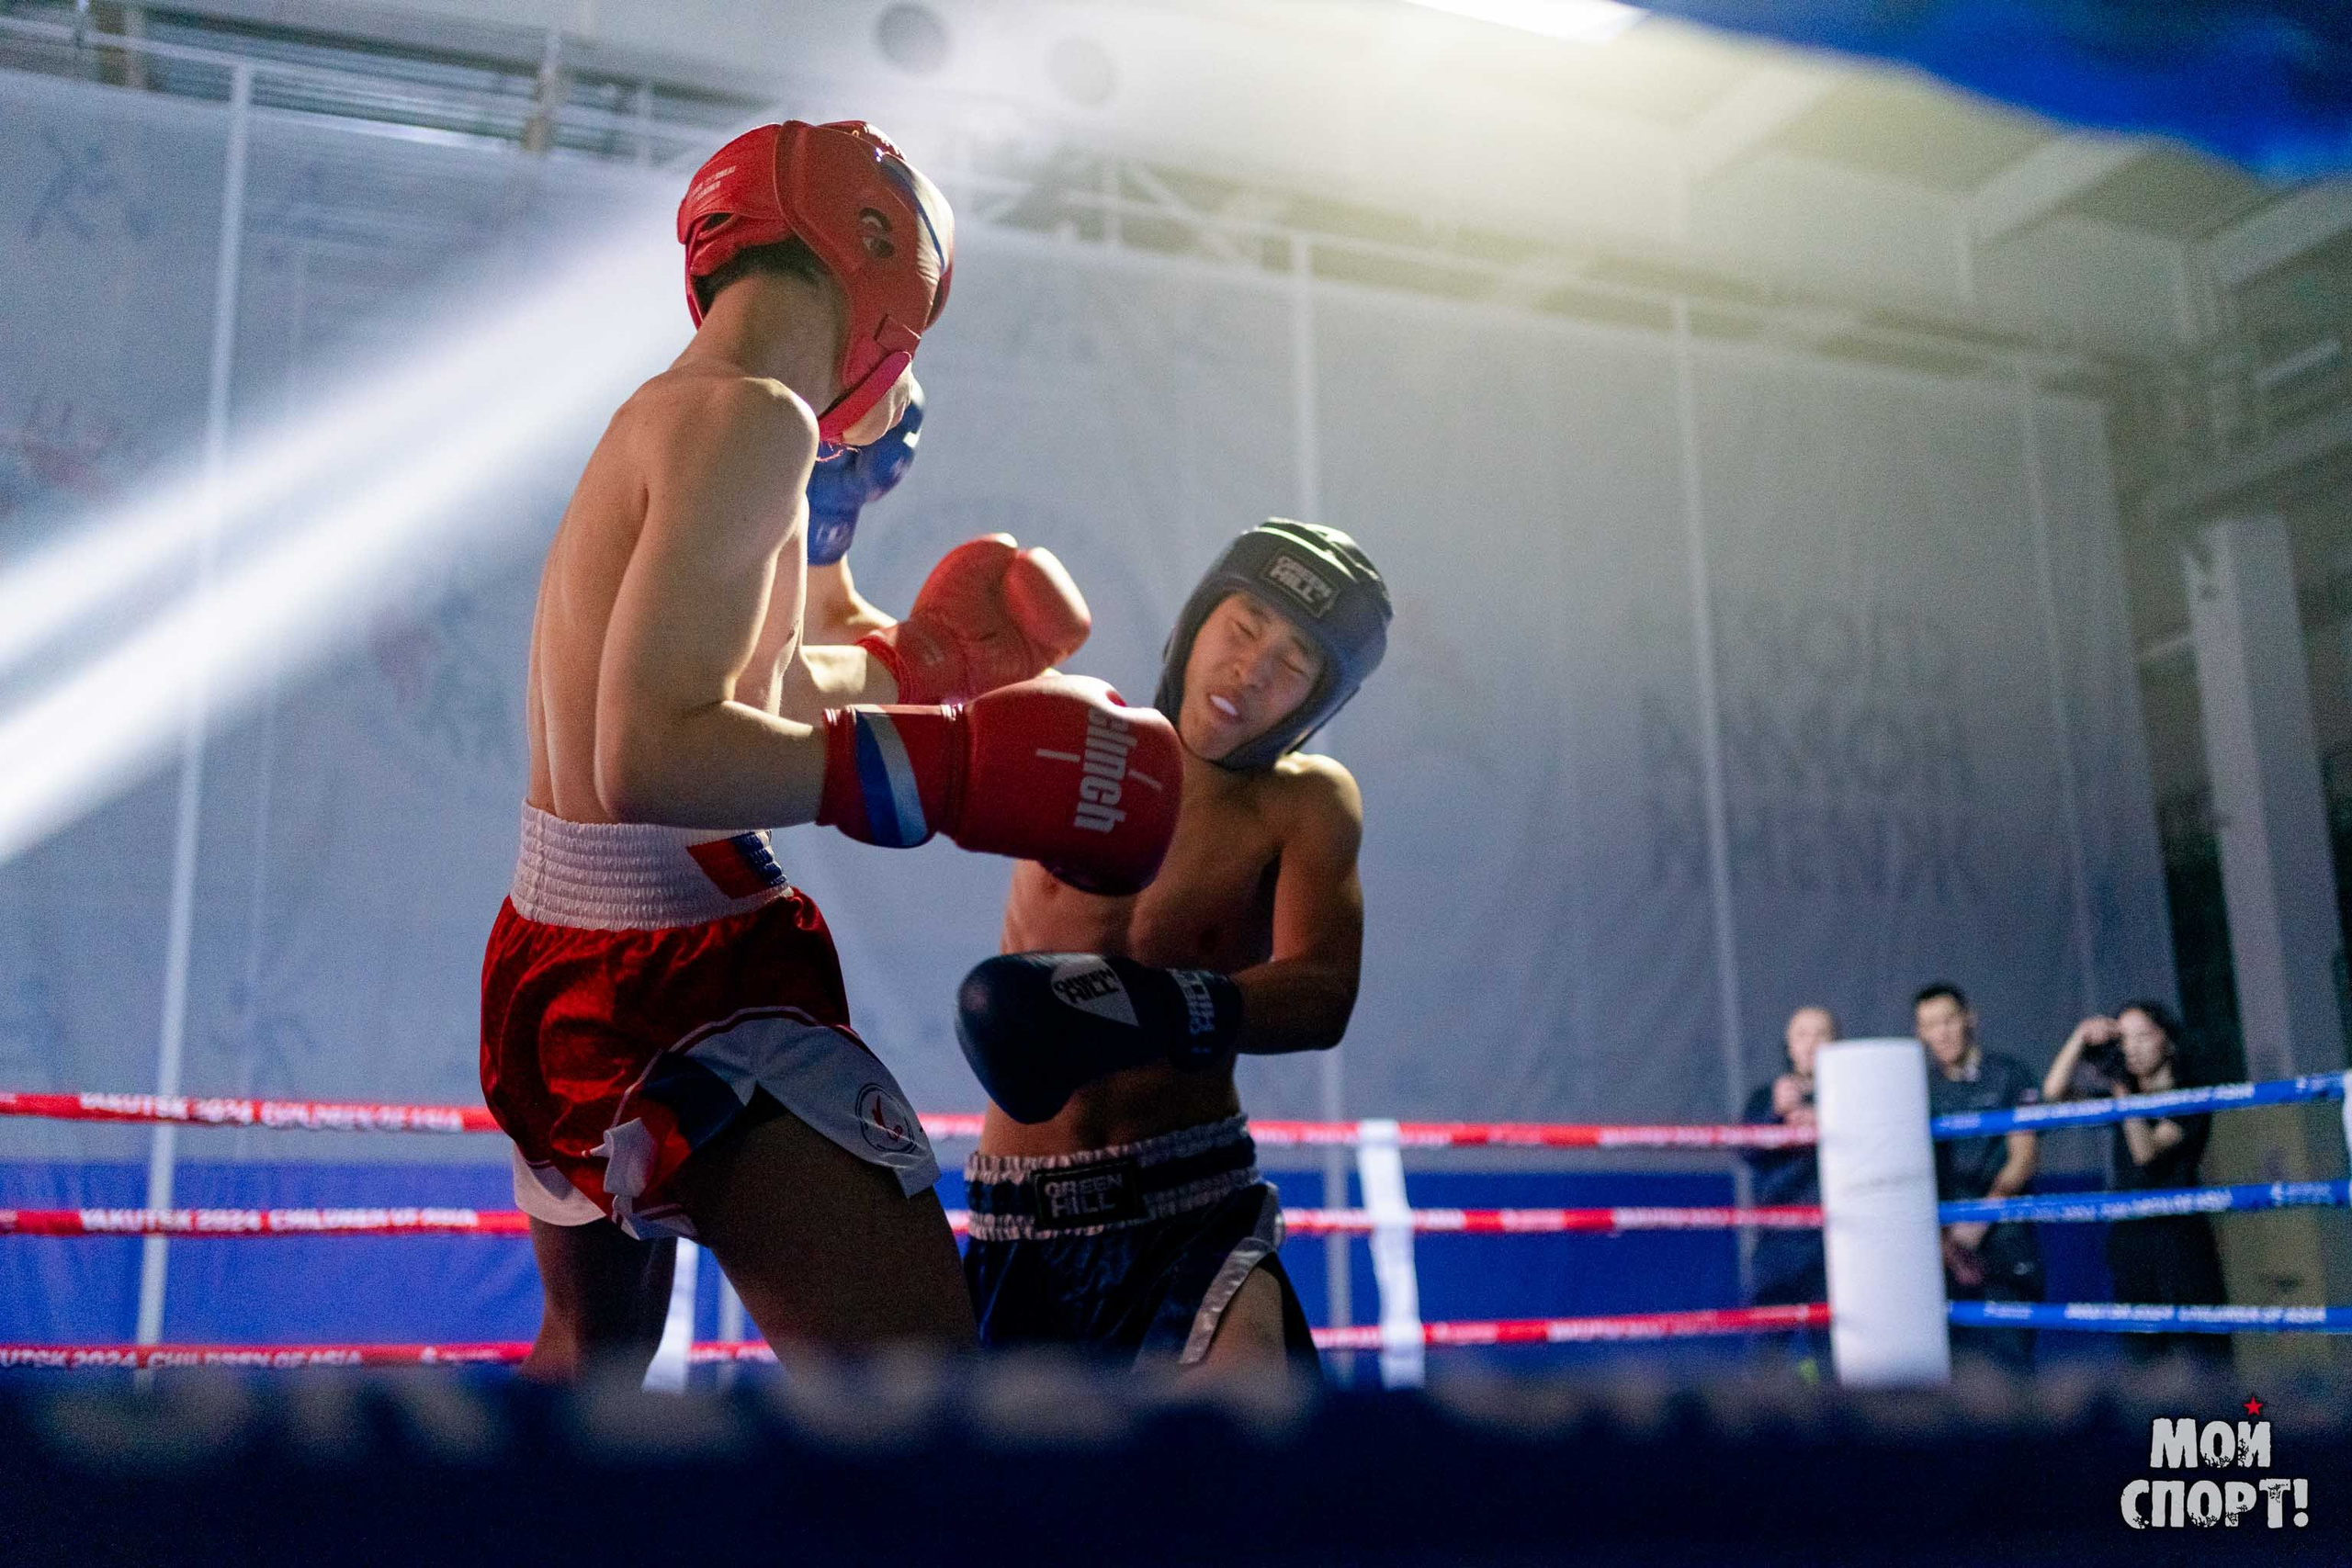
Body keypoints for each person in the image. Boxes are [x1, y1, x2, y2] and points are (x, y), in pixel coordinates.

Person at [478, 120, 1183, 1378]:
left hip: (551, 957)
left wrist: (917, 673)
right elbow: (653, 752)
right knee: (923, 1412)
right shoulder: (760, 419)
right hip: (687, 975)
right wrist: (953, 765)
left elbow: (723, 689)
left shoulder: (669, 414)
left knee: (591, 1362)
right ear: (884, 261)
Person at [953, 520, 1390, 1376]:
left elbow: (1324, 989)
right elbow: (881, 760)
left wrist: (1160, 1009)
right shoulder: (1074, 731)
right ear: (1197, 622)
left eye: (1294, 664)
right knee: (1012, 1508)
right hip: (1017, 1215)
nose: (1253, 671)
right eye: (1243, 628)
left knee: (1248, 1474)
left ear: (1315, 702)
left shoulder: (1303, 804)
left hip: (1189, 1204)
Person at [2042, 1000, 2230, 1368]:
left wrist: (2120, 1093)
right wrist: (2079, 1037)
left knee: (2203, 1359)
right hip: (2131, 1240)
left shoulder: (2190, 1093)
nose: (2134, 1048)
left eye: (2144, 1036)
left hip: (2180, 1238)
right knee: (2144, 1359)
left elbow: (2145, 1151)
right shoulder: (2122, 1094)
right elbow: (2053, 1093)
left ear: (2168, 1041)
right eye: (2125, 1039)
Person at [1915, 981, 2043, 1373]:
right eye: (1931, 1025)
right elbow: (1915, 1173)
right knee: (1951, 1380)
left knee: (2012, 1373)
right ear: (1921, 1033)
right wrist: (1945, 1244)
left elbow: (2023, 1158)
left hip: (2003, 1239)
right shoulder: (1917, 1088)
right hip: (1940, 1249)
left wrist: (1976, 1225)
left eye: (1949, 1020)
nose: (1943, 1032)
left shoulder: (2009, 1074)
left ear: (1969, 1018)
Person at [1740, 1005, 1837, 1372]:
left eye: (1820, 1034)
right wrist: (1776, 1116)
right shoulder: (1765, 1096)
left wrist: (1827, 1121)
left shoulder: (1852, 1096)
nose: (1811, 1043)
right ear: (1789, 1046)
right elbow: (1745, 1150)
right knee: (1766, 1358)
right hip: (1777, 1243)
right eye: (1801, 1035)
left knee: (1834, 1361)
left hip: (1834, 1244)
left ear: (1835, 1044)